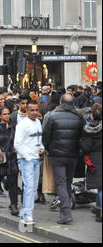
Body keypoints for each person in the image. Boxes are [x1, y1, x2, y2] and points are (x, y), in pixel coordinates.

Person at [42, 94, 84, 225]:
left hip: (57, 155)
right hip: (73, 155)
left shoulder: (51, 116)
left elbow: (45, 136)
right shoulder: (79, 117)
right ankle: (65, 211)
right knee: (67, 182)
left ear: (60, 102)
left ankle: (66, 213)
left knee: (61, 183)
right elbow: (82, 137)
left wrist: (49, 148)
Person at [14, 101, 45, 225]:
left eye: (36, 109)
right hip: (26, 160)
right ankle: (26, 215)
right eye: (32, 110)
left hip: (36, 158)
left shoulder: (38, 122)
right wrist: (27, 157)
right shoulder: (22, 125)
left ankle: (27, 213)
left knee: (33, 187)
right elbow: (17, 144)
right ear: (26, 111)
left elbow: (38, 139)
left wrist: (41, 147)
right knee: (29, 187)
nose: (35, 112)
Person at [80, 103, 102, 222]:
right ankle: (98, 207)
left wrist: (81, 142)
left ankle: (101, 211)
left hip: (94, 160)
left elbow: (87, 147)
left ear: (92, 116)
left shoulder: (87, 130)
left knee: (100, 187)